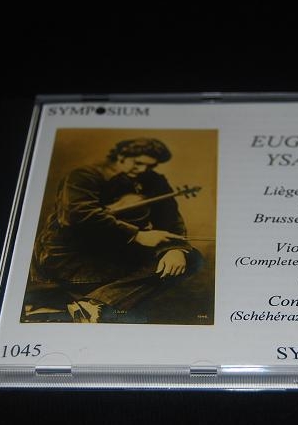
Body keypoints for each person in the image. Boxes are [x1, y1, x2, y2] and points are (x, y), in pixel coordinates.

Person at [29, 138, 201, 323]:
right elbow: (78, 216)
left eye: (150, 166)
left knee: (189, 258)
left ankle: (90, 305)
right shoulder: (84, 176)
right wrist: (136, 235)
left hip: (116, 253)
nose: (142, 170)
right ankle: (93, 303)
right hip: (72, 258)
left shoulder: (153, 180)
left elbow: (170, 218)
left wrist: (174, 249)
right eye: (138, 163)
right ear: (121, 156)